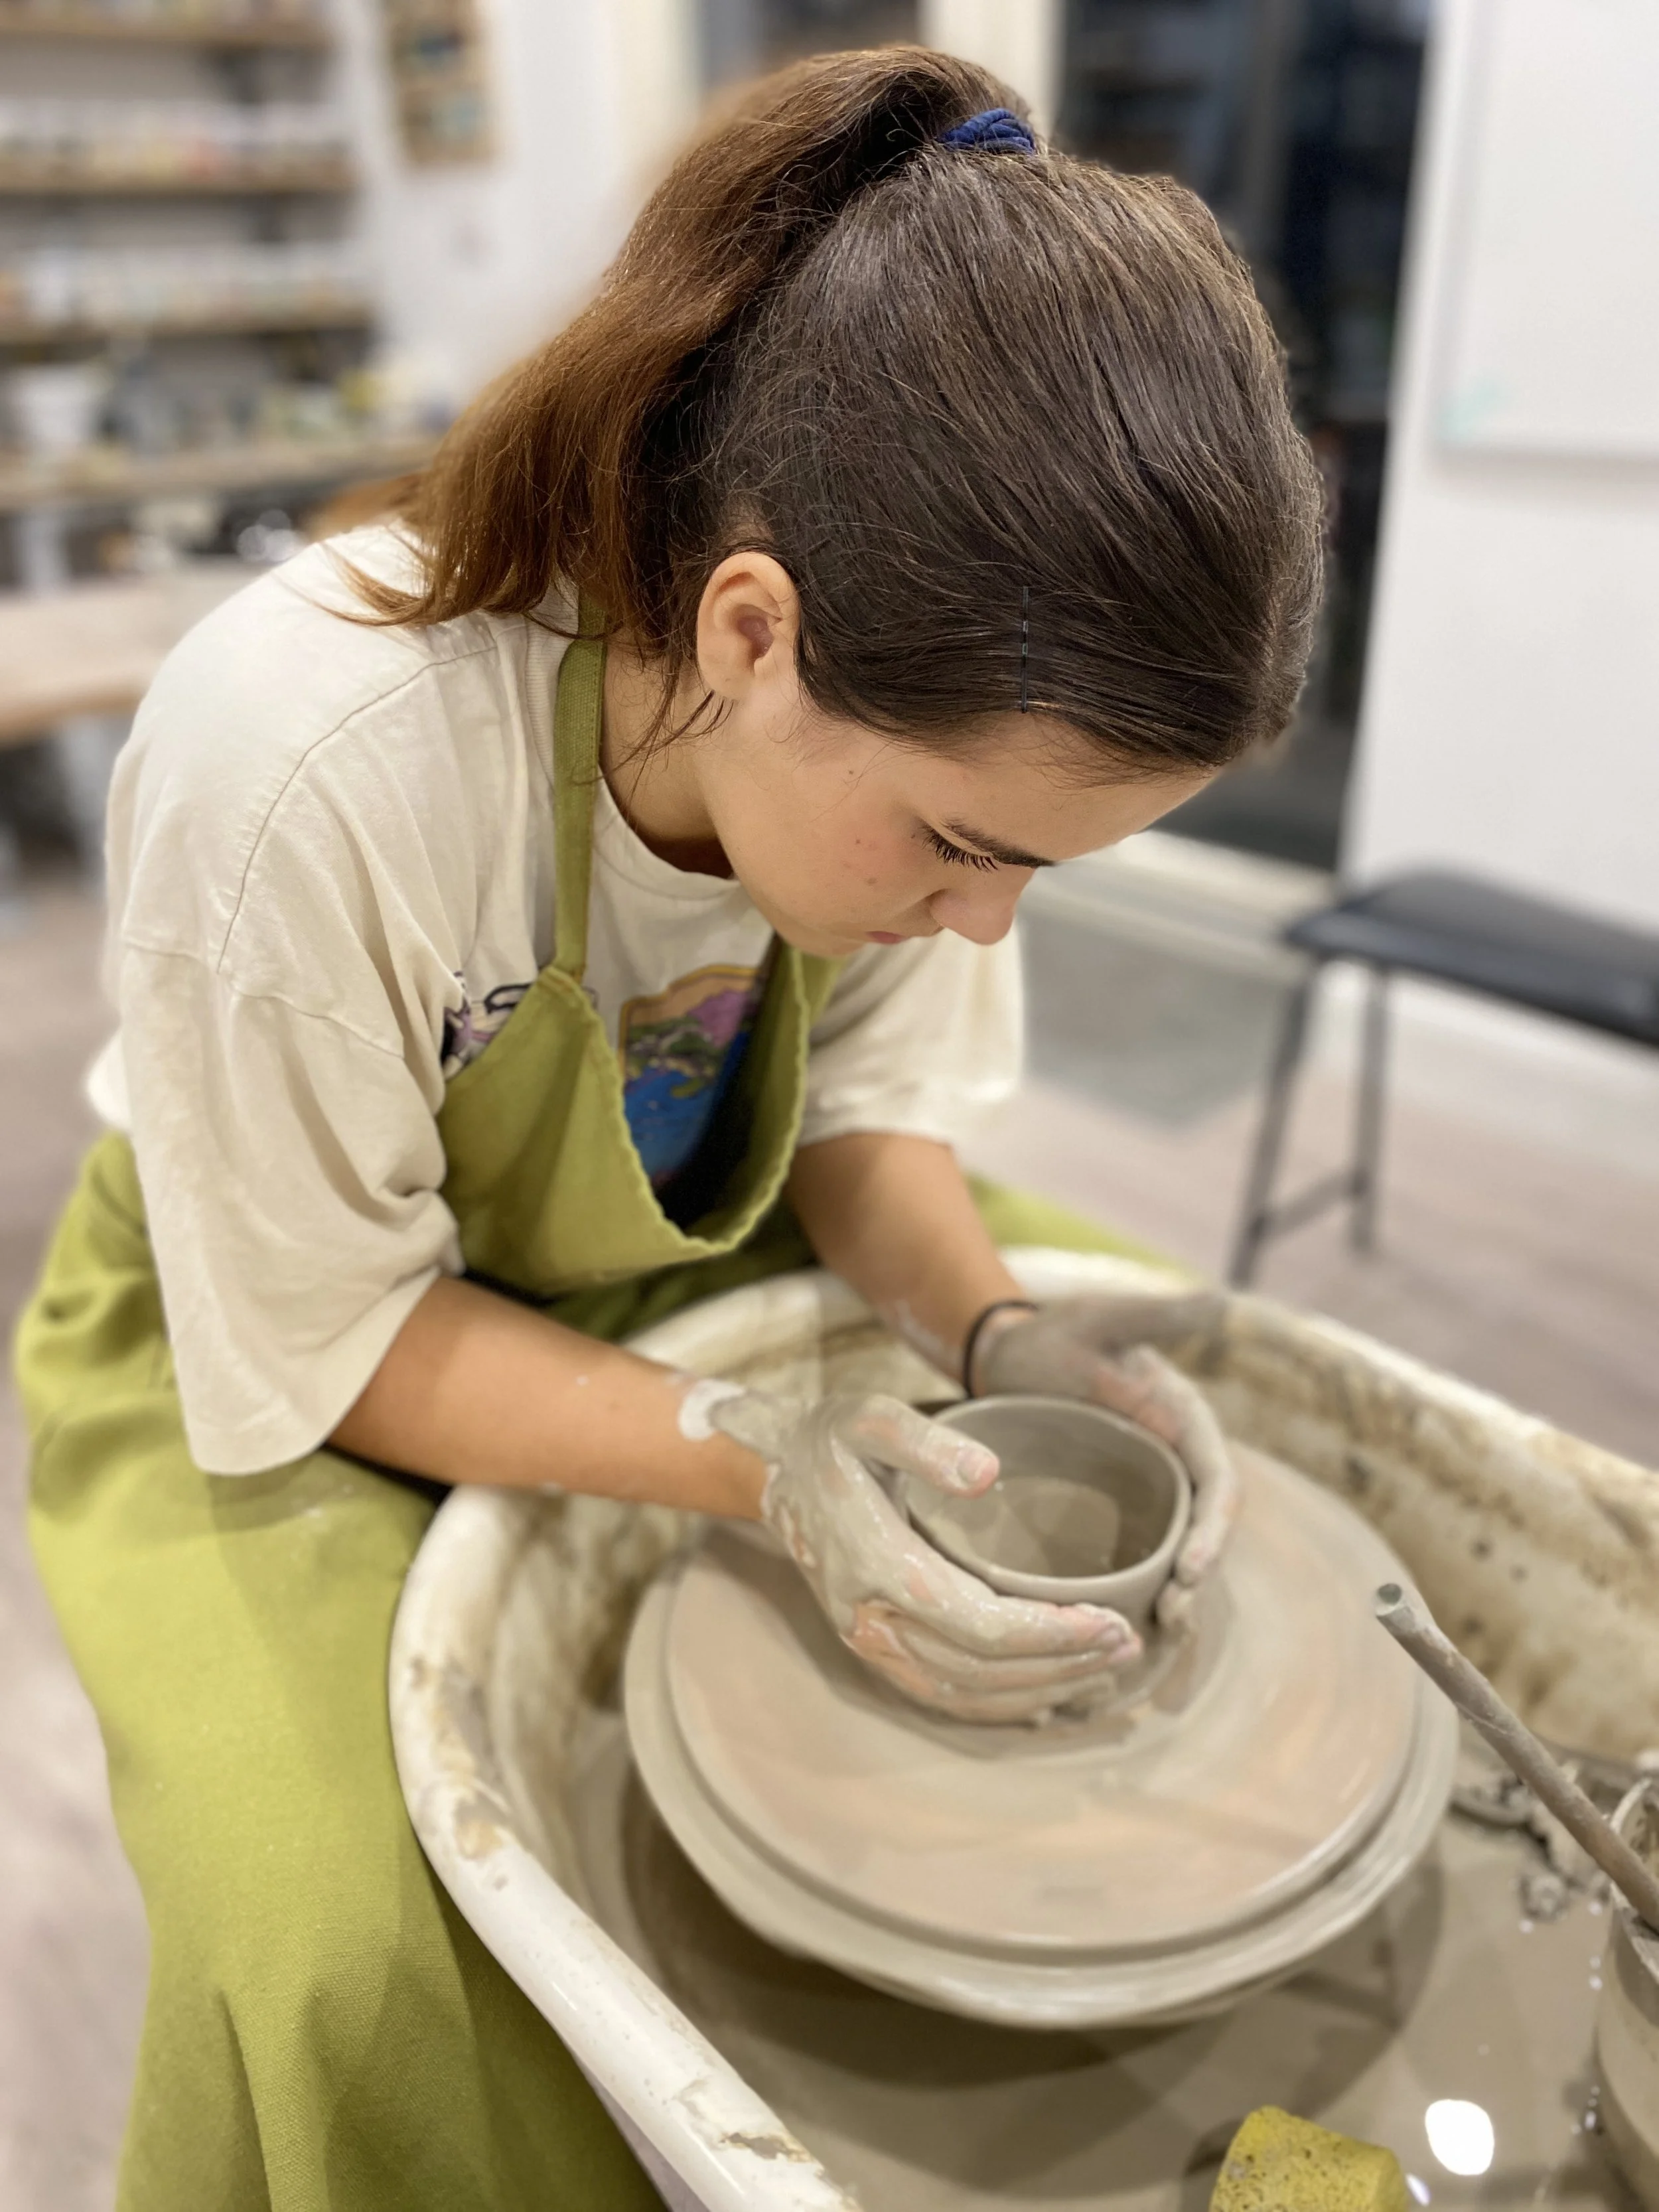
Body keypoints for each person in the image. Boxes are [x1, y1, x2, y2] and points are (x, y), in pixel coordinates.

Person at [15, 44, 1323, 2212]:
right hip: (276, 1300)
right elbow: (333, 1330)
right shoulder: (308, 760)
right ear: (751, 626)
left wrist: (995, 1336)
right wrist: (758, 1466)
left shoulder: (902, 759)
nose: (986, 917)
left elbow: (870, 1128)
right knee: (345, 1942)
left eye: (1045, 874)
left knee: (1142, 1358)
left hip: (691, 1193)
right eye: (963, 845)